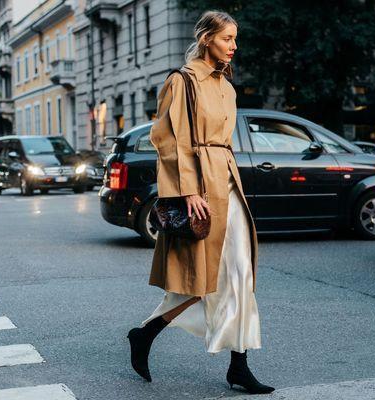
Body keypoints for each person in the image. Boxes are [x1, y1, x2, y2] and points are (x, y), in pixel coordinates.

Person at [126, 10, 274, 394]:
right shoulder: (183, 81)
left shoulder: (227, 86)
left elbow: (223, 142)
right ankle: (146, 334)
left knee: (240, 273)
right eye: (227, 39)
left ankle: (238, 365)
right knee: (198, 281)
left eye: (235, 39)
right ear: (207, 38)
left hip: (227, 180)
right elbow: (168, 141)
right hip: (199, 186)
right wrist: (188, 190)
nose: (234, 47)